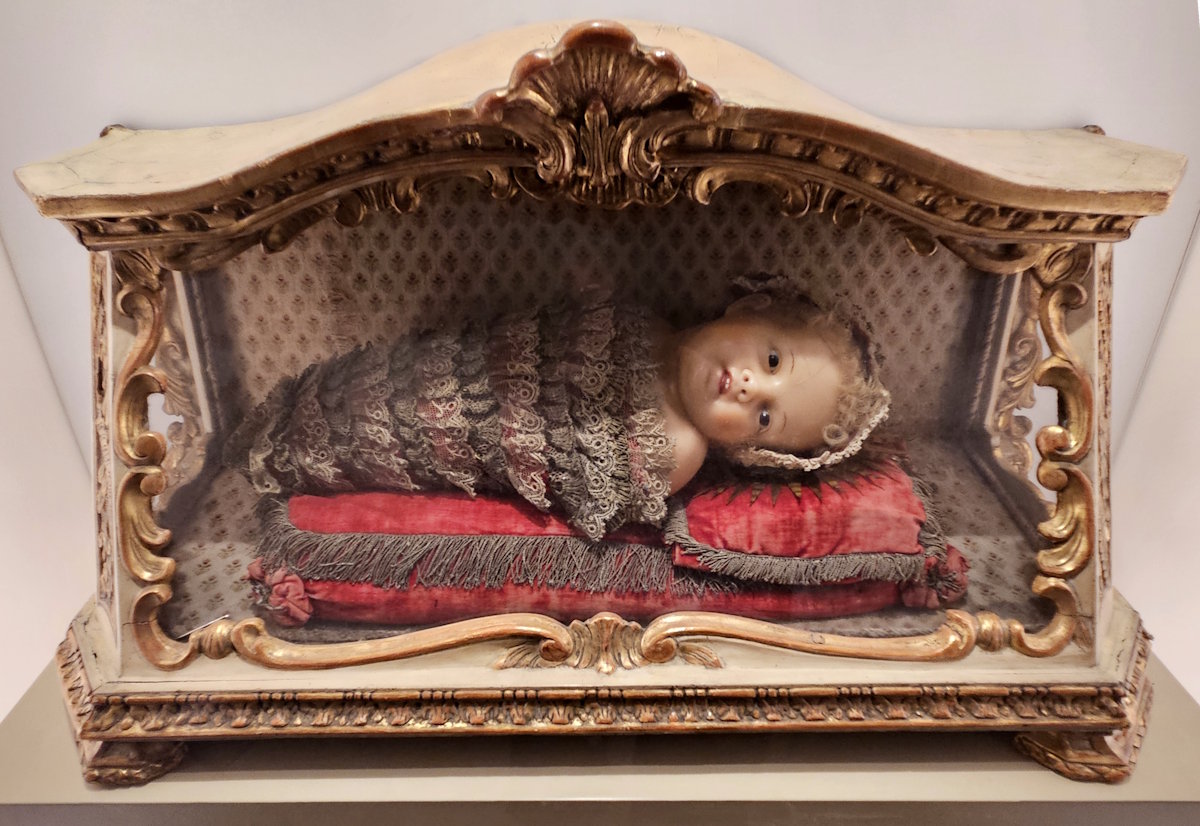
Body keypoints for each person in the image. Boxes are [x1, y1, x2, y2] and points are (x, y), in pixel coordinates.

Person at [229, 287, 890, 541]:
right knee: (368, 385)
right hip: (460, 366)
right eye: (771, 360)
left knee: (380, 433)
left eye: (766, 418)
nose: (749, 387)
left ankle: (285, 448)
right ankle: (276, 424)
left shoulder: (679, 449)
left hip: (472, 436)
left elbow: (552, 466)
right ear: (746, 309)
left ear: (749, 452)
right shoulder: (644, 317)